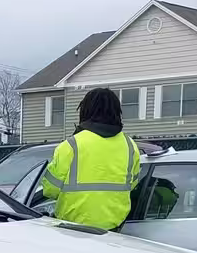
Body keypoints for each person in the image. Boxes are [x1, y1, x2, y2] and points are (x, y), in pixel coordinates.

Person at [40, 88, 142, 230]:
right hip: (113, 231)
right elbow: (131, 185)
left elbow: (50, 190)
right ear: (117, 112)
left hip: (72, 229)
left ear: (85, 111)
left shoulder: (71, 145)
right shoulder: (130, 145)